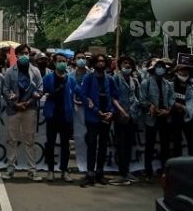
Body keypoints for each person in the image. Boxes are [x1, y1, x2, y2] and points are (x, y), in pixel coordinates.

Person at [2, 44, 43, 181]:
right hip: (14, 110)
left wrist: (31, 100)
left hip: (29, 109)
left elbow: (40, 89)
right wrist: (15, 104)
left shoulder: (35, 71)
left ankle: (32, 170)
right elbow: (5, 90)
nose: (25, 55)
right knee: (12, 140)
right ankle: (10, 169)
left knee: (30, 140)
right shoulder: (9, 72)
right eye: (22, 53)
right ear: (17, 55)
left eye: (27, 53)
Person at [79, 53, 118, 187]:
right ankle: (90, 173)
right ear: (94, 63)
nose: (101, 63)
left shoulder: (110, 79)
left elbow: (114, 97)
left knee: (103, 145)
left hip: (106, 117)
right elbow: (83, 96)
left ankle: (100, 173)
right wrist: (96, 111)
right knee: (91, 145)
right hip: (92, 117)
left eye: (103, 61)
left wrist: (112, 112)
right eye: (98, 61)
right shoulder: (88, 77)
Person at [42, 53, 75, 182]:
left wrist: (86, 100)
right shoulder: (48, 78)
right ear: (55, 63)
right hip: (52, 115)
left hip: (66, 116)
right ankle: (50, 171)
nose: (63, 63)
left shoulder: (70, 79)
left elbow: (79, 92)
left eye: (65, 61)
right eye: (60, 61)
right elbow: (41, 91)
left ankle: (64, 171)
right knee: (50, 144)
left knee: (65, 145)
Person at [139, 59, 174, 181]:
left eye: (162, 67)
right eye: (158, 66)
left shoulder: (168, 84)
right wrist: (150, 105)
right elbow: (141, 100)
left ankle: (164, 170)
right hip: (152, 117)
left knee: (165, 145)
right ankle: (148, 171)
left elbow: (171, 99)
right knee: (150, 144)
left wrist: (168, 110)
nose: (160, 69)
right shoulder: (146, 83)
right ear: (154, 69)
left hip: (165, 117)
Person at [109, 56, 140, 186]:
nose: (127, 65)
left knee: (128, 145)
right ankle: (121, 173)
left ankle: (127, 171)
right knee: (120, 145)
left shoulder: (135, 80)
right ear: (120, 65)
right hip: (120, 116)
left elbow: (137, 97)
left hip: (132, 116)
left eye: (129, 64)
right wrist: (121, 111)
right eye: (124, 63)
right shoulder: (115, 78)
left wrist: (134, 110)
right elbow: (113, 97)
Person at [169, 63, 193, 158]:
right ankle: (178, 162)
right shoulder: (170, 85)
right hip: (175, 117)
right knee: (176, 141)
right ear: (176, 72)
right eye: (182, 70)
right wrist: (175, 105)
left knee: (192, 140)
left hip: (188, 117)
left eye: (186, 70)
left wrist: (192, 110)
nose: (184, 72)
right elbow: (166, 99)